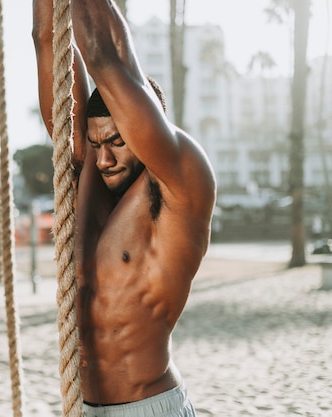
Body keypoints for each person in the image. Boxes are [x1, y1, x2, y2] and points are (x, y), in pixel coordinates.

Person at [32, 1, 217, 416]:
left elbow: (104, 55)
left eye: (117, 141)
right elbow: (47, 40)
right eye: (96, 144)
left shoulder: (182, 184)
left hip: (148, 405)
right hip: (86, 407)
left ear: (146, 132)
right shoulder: (89, 178)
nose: (103, 159)